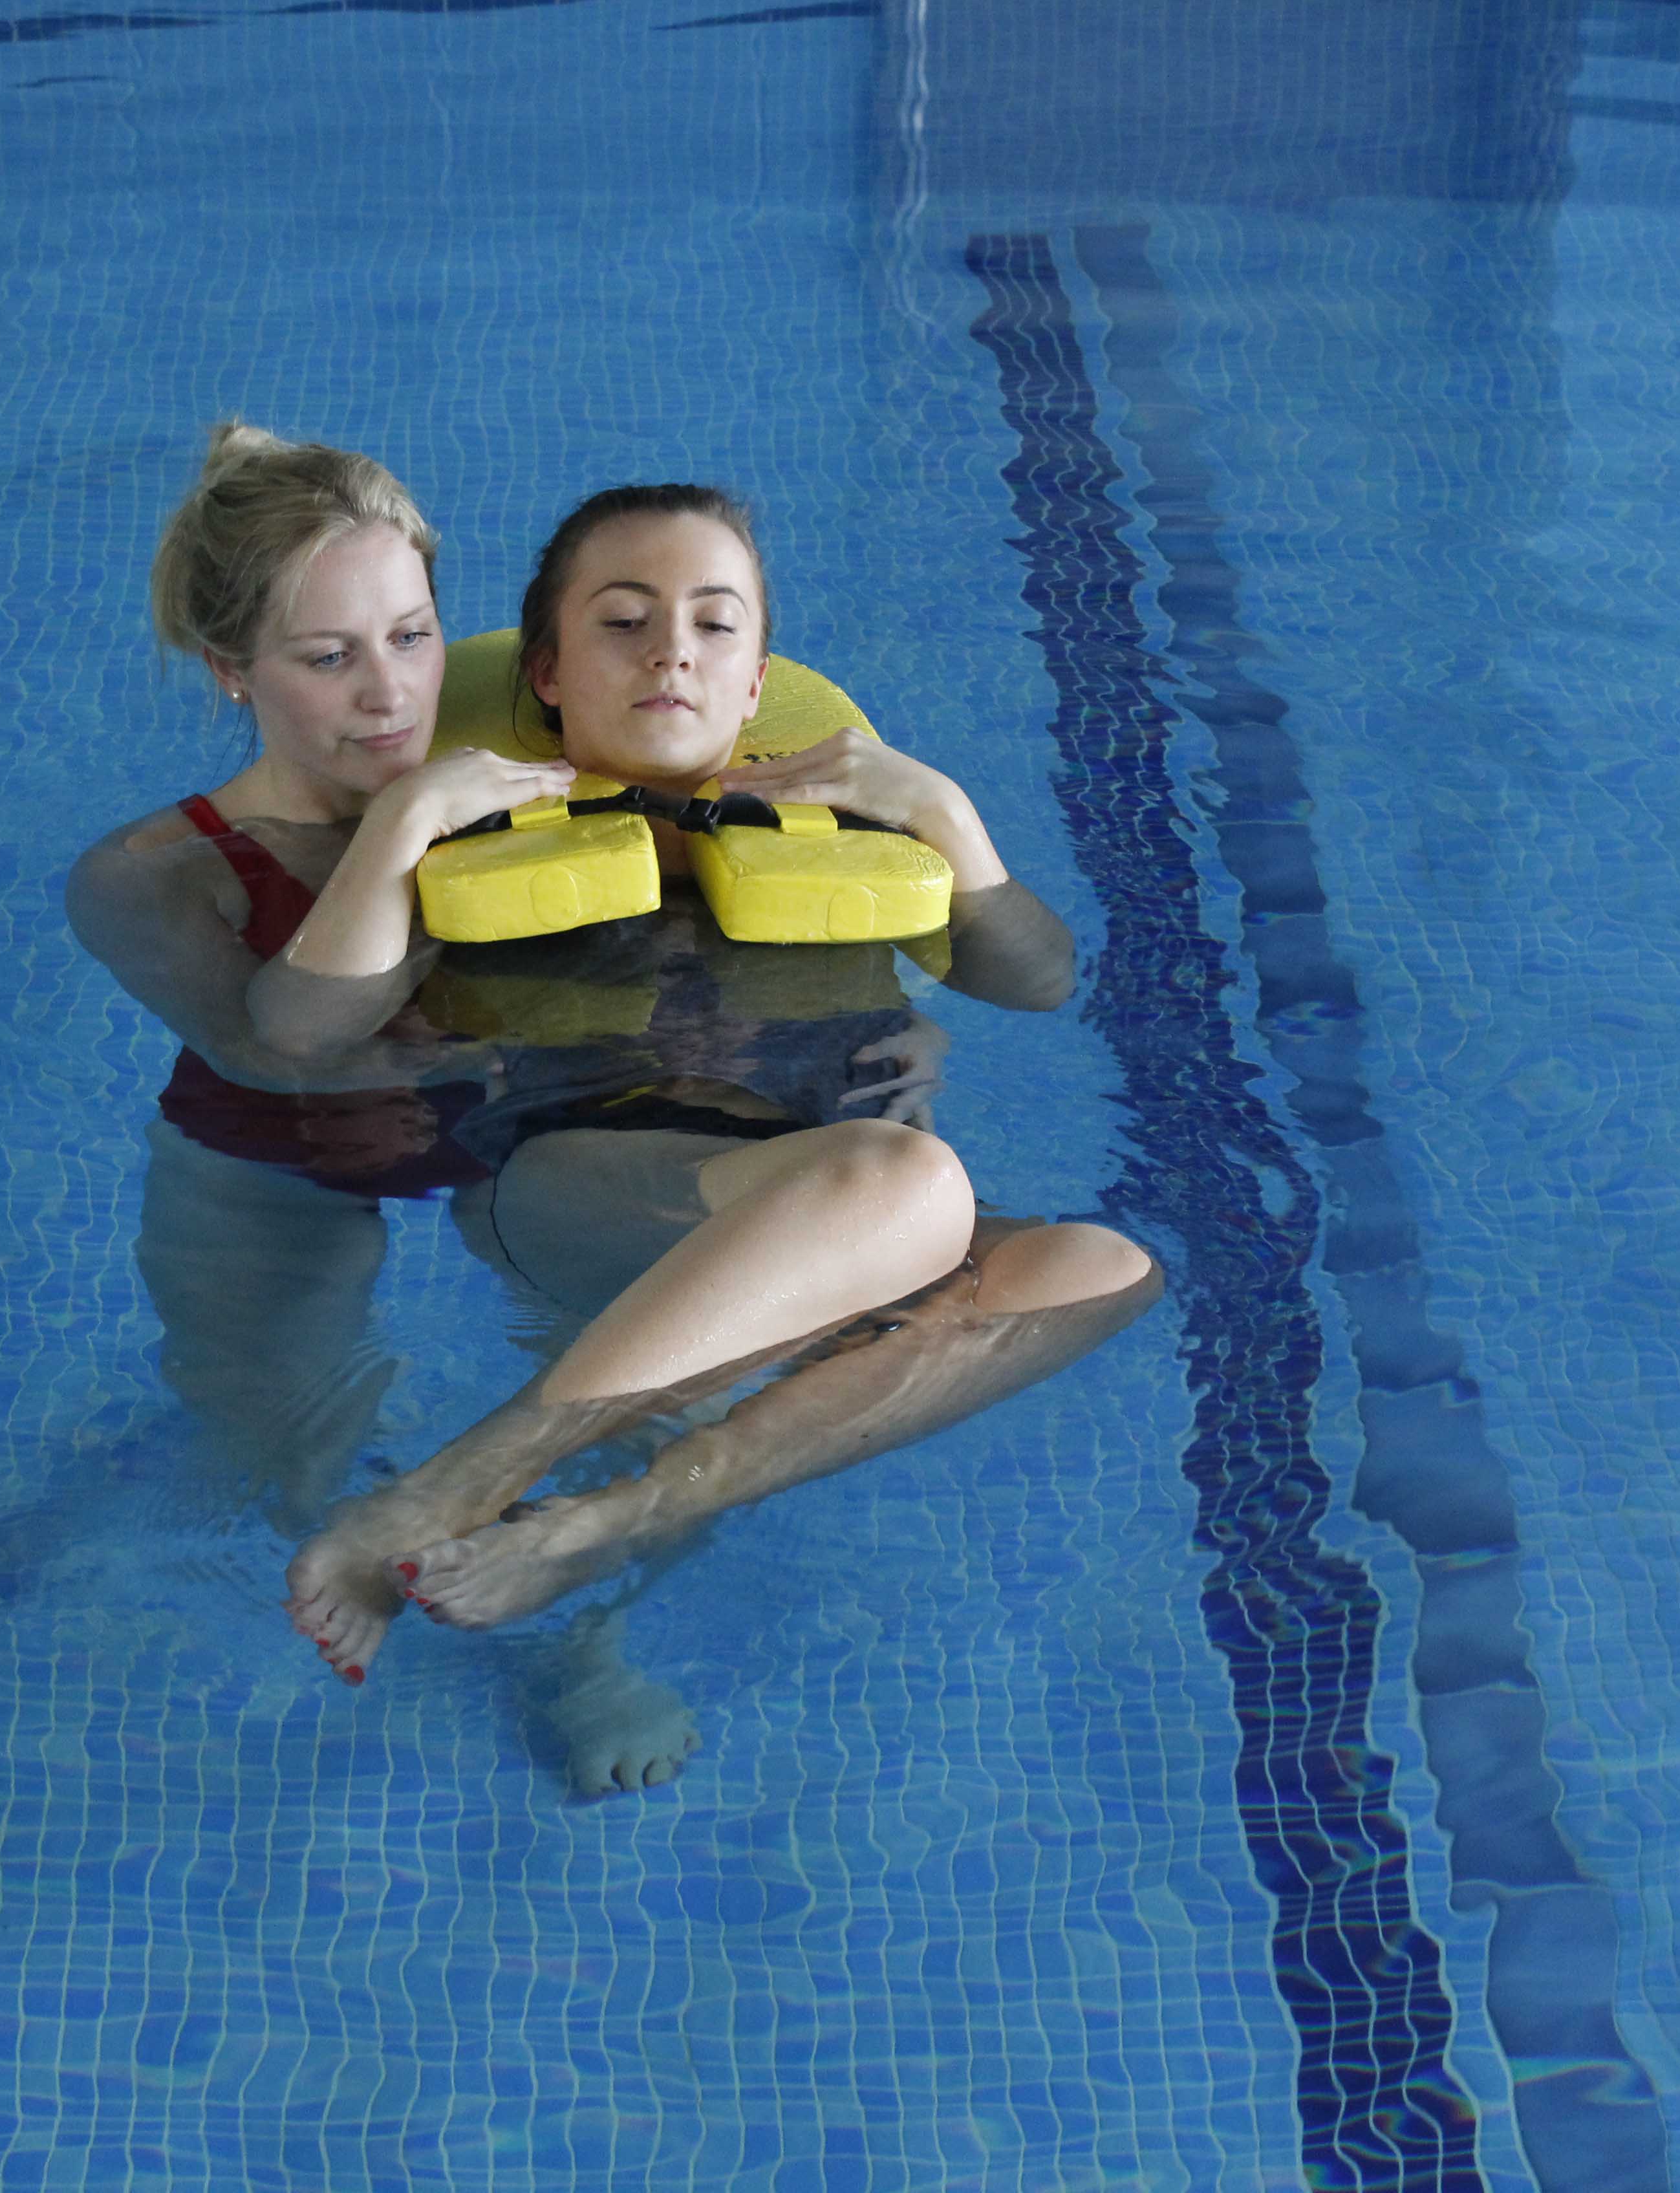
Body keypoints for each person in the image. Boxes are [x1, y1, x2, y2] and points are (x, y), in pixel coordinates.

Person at [268, 486, 1163, 1685]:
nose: (672, 651)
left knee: (1100, 1266)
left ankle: (614, 1525)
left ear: (756, 684)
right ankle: (459, 1487)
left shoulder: (846, 822)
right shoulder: (475, 832)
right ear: (547, 674)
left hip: (825, 1210)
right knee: (911, 1179)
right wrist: (400, 826)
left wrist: (944, 814)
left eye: (714, 624)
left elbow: (1041, 979)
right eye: (624, 623)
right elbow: (293, 1034)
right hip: (580, 1180)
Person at [67, 426, 707, 1793]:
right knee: (288, 1460)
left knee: (668, 1402)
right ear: (227, 672)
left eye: (412, 636)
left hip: (516, 1143)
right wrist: (409, 830)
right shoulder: (148, 877)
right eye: (327, 657)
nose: (389, 695)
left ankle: (582, 1647)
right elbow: (284, 1057)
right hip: (271, 1168)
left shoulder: (543, 777)